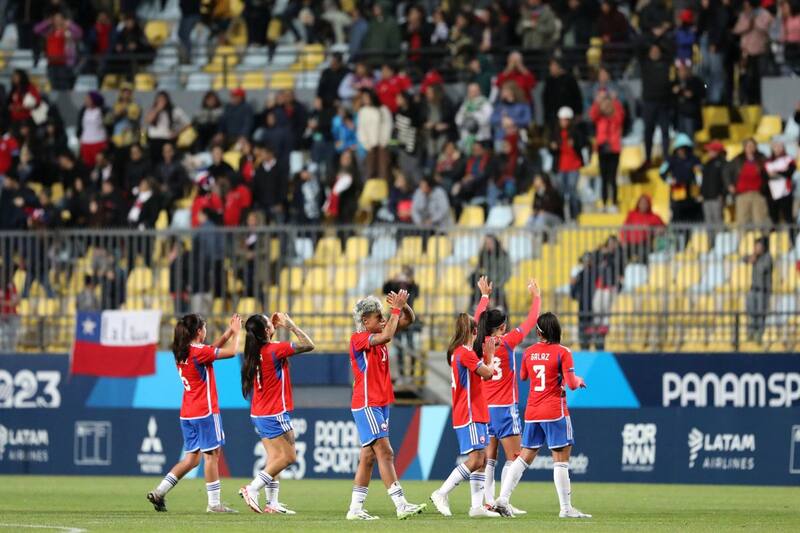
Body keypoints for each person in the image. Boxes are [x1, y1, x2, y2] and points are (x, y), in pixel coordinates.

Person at [493, 312, 590, 519]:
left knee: (524, 456)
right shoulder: (563, 352)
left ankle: (502, 498)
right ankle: (566, 508)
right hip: (555, 410)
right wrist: (578, 379)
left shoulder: (528, 351)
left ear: (539, 331)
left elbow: (523, 376)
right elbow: (572, 384)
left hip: (533, 411)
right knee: (561, 459)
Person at [147, 313, 242, 513]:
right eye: (205, 327)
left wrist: (227, 333)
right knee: (212, 456)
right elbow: (232, 352)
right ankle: (214, 504)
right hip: (205, 411)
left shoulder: (182, 351)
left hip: (188, 413)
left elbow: (209, 351)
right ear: (199, 331)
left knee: (191, 459)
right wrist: (237, 333)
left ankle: (159, 491)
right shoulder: (199, 352)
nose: (206, 331)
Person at [346, 290, 426, 520]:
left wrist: (404, 306)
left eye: (383, 316)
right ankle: (401, 504)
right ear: (364, 321)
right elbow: (388, 335)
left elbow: (407, 320)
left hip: (380, 403)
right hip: (367, 402)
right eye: (377, 317)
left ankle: (355, 509)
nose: (382, 320)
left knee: (369, 457)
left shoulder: (380, 330)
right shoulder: (359, 338)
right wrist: (395, 310)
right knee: (386, 452)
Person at [472, 276, 540, 513]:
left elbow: (476, 319)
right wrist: (536, 297)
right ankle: (503, 500)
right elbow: (532, 321)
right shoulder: (508, 341)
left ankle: (489, 501)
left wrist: (484, 296)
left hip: (484, 407)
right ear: (502, 327)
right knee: (515, 456)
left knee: (489, 456)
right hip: (504, 407)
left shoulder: (478, 342)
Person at [238, 312, 315, 514]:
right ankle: (252, 488)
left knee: (274, 459)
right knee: (289, 458)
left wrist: (270, 329)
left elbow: (268, 344)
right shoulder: (275, 349)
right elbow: (309, 344)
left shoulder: (254, 351)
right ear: (265, 331)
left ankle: (272, 503)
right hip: (274, 413)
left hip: (258, 412)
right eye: (268, 324)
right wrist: (291, 326)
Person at [429, 314, 500, 518]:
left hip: (474, 411)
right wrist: (492, 355)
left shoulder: (460, 353)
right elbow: (488, 374)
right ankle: (441, 493)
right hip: (468, 412)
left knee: (482, 459)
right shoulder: (464, 353)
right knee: (477, 458)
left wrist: (486, 359)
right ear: (474, 332)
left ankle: (476, 507)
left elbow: (482, 375)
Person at [549, 107, 587, 220]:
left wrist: (575, 144)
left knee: (572, 192)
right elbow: (551, 148)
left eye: (566, 120)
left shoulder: (576, 132)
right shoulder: (555, 133)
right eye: (561, 120)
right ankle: (562, 217)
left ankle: (575, 216)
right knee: (560, 194)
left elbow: (584, 144)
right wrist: (553, 147)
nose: (563, 122)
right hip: (560, 167)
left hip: (573, 166)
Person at [590, 90, 624, 211]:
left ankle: (614, 203)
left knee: (612, 177)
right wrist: (597, 101)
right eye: (604, 105)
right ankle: (604, 203)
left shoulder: (616, 116)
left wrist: (614, 101)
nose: (606, 107)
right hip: (602, 149)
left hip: (614, 149)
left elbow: (620, 114)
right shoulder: (600, 118)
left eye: (608, 104)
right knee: (603, 178)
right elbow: (592, 114)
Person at [639, 43, 672, 165]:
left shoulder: (665, 64)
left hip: (663, 103)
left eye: (657, 50)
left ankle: (666, 158)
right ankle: (648, 158)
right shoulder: (645, 64)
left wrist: (659, 37)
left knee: (665, 132)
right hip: (649, 103)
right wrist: (653, 35)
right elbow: (639, 46)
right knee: (648, 131)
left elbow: (670, 48)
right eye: (652, 50)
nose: (655, 53)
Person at [725, 138, 769, 226]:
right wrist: (729, 184)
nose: (750, 148)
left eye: (752, 146)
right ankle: (743, 239)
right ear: (744, 147)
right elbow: (726, 171)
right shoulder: (738, 159)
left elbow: (768, 172)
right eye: (748, 146)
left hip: (758, 193)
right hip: (742, 194)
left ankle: (759, 239)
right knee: (742, 219)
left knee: (759, 218)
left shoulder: (762, 158)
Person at [145, 91, 190, 165]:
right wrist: (157, 110)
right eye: (159, 100)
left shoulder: (174, 110)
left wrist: (177, 132)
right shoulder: (152, 109)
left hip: (166, 140)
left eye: (163, 100)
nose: (161, 102)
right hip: (153, 140)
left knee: (166, 162)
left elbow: (187, 123)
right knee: (154, 162)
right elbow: (148, 120)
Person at [357, 89, 392, 181]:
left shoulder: (383, 109)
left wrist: (384, 141)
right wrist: (366, 144)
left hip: (382, 145)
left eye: (367, 97)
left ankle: (384, 192)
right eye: (363, 98)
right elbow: (361, 130)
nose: (365, 99)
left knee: (383, 169)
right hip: (370, 146)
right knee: (370, 170)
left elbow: (387, 126)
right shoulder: (362, 112)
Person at [619, 194, 665, 263]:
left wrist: (659, 230)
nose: (643, 205)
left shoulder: (654, 217)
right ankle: (621, 273)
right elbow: (623, 229)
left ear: (649, 204)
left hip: (644, 244)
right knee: (619, 253)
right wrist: (623, 241)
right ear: (638, 204)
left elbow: (664, 228)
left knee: (644, 253)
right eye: (641, 203)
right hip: (629, 243)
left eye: (645, 203)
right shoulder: (631, 214)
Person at [471, 236, 512, 310]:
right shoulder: (483, 255)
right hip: (486, 285)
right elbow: (479, 270)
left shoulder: (504, 255)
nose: (488, 245)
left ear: (495, 243)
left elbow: (507, 273)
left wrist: (496, 284)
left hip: (498, 286)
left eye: (490, 243)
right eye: (486, 243)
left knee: (500, 304)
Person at [542, 59, 584, 129]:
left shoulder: (570, 80)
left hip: (569, 115)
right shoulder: (549, 81)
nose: (551, 68)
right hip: (553, 117)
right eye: (550, 66)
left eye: (553, 65)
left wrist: (578, 113)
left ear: (559, 67)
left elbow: (577, 97)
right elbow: (545, 100)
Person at [700, 140, 727, 245]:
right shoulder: (707, 164)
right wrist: (702, 193)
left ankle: (720, 245)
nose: (708, 152)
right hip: (707, 198)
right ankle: (711, 244)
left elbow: (725, 181)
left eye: (710, 150)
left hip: (717, 198)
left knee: (718, 221)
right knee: (709, 222)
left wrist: (723, 195)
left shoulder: (723, 163)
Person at [745, 236, 772, 341]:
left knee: (760, 313)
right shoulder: (754, 256)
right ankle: (750, 332)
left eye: (759, 246)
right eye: (755, 246)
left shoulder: (767, 257)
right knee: (751, 312)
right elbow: (744, 259)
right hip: (753, 289)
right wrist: (750, 258)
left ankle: (759, 334)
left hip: (763, 290)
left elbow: (762, 269)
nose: (757, 248)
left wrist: (755, 259)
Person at [764, 139, 796, 228]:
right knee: (773, 218)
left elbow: (790, 172)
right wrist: (781, 172)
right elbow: (765, 175)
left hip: (785, 192)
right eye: (775, 147)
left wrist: (776, 173)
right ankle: (774, 239)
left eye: (779, 147)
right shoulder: (768, 161)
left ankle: (791, 240)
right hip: (772, 193)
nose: (777, 149)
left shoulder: (788, 159)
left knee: (788, 217)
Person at [671, 62, 705, 139]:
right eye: (680, 71)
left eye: (684, 70)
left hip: (690, 115)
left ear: (688, 71)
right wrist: (674, 91)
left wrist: (692, 94)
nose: (682, 73)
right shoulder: (675, 82)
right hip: (678, 114)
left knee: (690, 138)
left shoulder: (696, 81)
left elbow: (703, 91)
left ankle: (690, 150)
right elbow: (669, 95)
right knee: (680, 138)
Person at [77, 91, 108, 169]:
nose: (86, 100)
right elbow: (80, 126)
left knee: (100, 165)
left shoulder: (102, 110)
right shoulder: (83, 111)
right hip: (86, 142)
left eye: (88, 98)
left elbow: (108, 124)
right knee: (87, 166)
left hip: (98, 141)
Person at [0, 264, 20, 352]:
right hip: (1, 316)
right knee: (2, 338)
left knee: (12, 341)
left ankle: (11, 354)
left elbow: (16, 301)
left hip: (12, 315)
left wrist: (4, 303)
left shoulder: (11, 285)